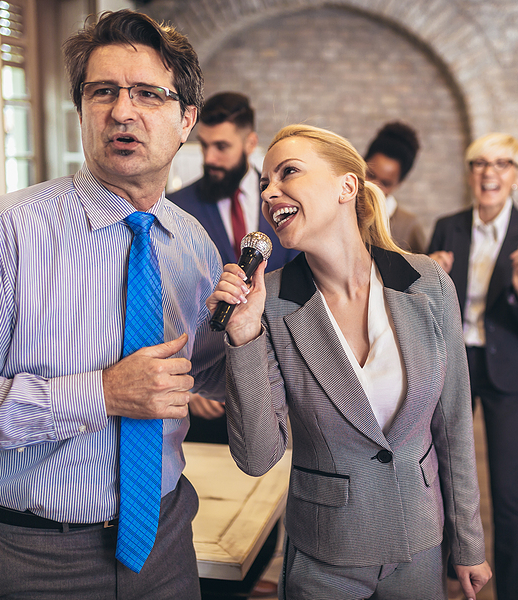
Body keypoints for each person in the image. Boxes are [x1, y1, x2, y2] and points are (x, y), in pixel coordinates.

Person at [0, 10, 225, 599]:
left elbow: (203, 374)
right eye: (103, 91)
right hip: (34, 556)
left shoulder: (193, 247)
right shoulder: (7, 231)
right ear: (82, 110)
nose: (123, 111)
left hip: (167, 542)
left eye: (149, 94)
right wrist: (101, 393)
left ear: (186, 121)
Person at [208, 124, 491, 600]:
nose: (270, 191)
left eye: (288, 173)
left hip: (420, 541)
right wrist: (244, 335)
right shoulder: (270, 304)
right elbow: (257, 457)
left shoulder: (427, 283)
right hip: (325, 555)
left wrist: (468, 542)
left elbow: (453, 423)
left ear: (347, 186)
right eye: (264, 183)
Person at [166, 90, 292, 599]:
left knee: (261, 510)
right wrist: (187, 377)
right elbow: (172, 306)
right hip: (199, 390)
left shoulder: (283, 208)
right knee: (211, 516)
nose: (212, 156)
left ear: (250, 141)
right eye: (206, 146)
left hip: (270, 379)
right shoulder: (178, 207)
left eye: (223, 146)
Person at [427, 133, 518, 600]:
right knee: (442, 478)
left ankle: (514, 589)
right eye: (480, 163)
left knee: (509, 490)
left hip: (509, 371)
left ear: (517, 178)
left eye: (502, 164)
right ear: (470, 174)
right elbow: (423, 313)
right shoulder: (447, 228)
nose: (489, 172)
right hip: (453, 366)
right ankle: (440, 580)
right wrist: (430, 281)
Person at [364, 121, 428, 253]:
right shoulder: (340, 209)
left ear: (399, 183)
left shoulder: (408, 227)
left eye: (385, 183)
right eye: (370, 175)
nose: (374, 187)